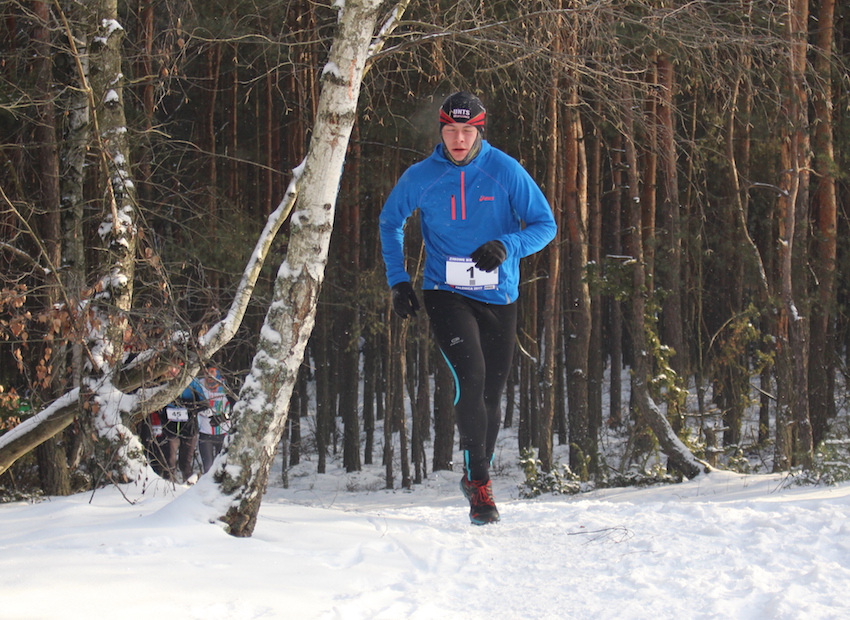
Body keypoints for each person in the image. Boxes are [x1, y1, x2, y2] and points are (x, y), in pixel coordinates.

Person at [379, 91, 557, 525]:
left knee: (492, 393)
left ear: (479, 132)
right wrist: (398, 279)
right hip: (446, 292)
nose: (458, 140)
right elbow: (390, 221)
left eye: (466, 131)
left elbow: (545, 225)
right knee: (471, 376)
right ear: (440, 131)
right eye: (450, 131)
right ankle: (480, 485)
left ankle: (476, 468)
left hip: (499, 295)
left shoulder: (505, 170)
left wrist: (508, 245)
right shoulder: (422, 176)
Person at [160, 377, 205, 484]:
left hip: (189, 427)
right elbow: (157, 402)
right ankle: (167, 487)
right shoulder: (165, 380)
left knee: (185, 464)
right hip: (170, 427)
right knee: (169, 461)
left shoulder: (193, 381)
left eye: (177, 368)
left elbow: (204, 404)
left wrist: (186, 405)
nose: (174, 371)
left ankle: (188, 487)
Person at [196, 367, 233, 474]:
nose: (209, 374)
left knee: (222, 467)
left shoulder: (226, 385)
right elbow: (193, 403)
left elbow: (236, 406)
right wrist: (202, 410)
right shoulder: (199, 385)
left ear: (217, 372)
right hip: (205, 431)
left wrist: (223, 417)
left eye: (212, 371)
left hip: (223, 432)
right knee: (207, 467)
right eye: (206, 371)